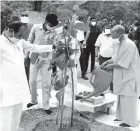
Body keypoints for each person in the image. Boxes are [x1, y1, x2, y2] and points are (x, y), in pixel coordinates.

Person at [0, 21, 53, 131]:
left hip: (19, 86)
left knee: (16, 115)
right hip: (5, 88)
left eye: (23, 35)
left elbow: (35, 47)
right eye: (19, 35)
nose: (21, 38)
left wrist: (53, 47)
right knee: (5, 117)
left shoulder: (20, 42)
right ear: (9, 30)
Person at [102, 25, 140, 127]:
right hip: (123, 75)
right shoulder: (118, 43)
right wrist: (107, 62)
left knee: (129, 99)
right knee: (121, 97)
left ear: (119, 33)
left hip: (130, 75)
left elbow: (124, 63)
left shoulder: (129, 44)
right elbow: (115, 57)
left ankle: (131, 121)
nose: (111, 34)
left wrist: (111, 66)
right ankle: (122, 117)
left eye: (113, 33)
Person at [27, 14, 58, 114]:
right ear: (45, 21)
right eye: (50, 24)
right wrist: (26, 55)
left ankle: (46, 106)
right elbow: (29, 41)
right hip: (34, 57)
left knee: (46, 83)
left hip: (46, 59)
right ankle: (34, 100)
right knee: (32, 81)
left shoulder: (54, 32)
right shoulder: (36, 27)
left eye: (53, 25)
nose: (52, 27)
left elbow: (55, 46)